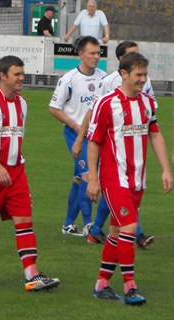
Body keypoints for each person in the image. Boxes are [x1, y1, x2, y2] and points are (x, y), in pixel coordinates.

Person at [0, 55, 60, 291]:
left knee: (25, 221)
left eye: (22, 73)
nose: (21, 78)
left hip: (16, 172)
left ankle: (32, 275)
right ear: (2, 76)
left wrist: (9, 165)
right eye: (16, 74)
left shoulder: (23, 103)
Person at [86, 52, 171, 305]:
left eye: (145, 75)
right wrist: (92, 178)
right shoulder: (106, 103)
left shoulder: (147, 103)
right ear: (124, 73)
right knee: (130, 229)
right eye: (138, 75)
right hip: (115, 179)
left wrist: (166, 169)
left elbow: (155, 134)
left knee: (115, 232)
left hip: (138, 180)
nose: (143, 80)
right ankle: (130, 286)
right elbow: (94, 142)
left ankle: (101, 285)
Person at [71, 41, 155, 248]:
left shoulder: (144, 82)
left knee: (118, 193)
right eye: (132, 55)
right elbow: (93, 111)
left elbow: (151, 116)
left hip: (132, 148)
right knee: (111, 187)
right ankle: (136, 234)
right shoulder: (108, 82)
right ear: (121, 62)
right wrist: (80, 138)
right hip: (107, 143)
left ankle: (99, 230)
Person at [48, 36, 105, 237]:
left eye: (98, 53)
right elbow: (54, 108)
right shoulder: (69, 79)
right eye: (92, 53)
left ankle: (68, 225)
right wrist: (75, 125)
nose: (96, 57)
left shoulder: (103, 78)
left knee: (79, 180)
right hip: (75, 135)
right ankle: (89, 225)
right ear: (81, 54)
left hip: (96, 137)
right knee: (89, 176)